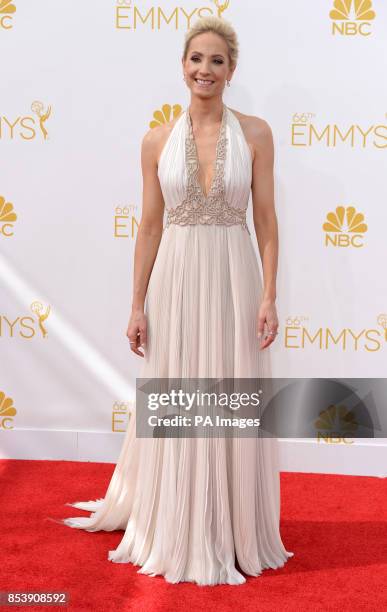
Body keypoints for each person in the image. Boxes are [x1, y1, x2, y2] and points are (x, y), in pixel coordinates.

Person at [59, 15, 294, 586]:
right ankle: (176, 520)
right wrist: (137, 304)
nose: (204, 70)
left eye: (216, 61)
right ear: (182, 67)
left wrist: (268, 295)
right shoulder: (156, 141)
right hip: (177, 281)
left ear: (231, 70)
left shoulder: (257, 133)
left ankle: (230, 528)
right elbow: (148, 226)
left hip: (235, 278)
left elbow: (265, 221)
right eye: (196, 60)